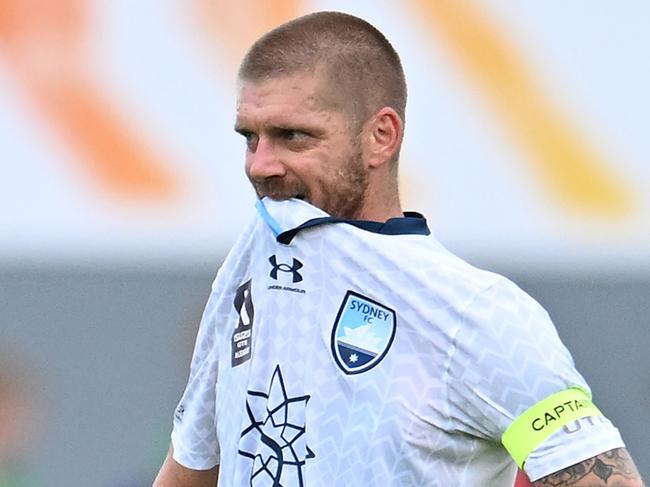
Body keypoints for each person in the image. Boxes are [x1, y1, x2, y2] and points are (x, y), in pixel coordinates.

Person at [154, 11, 645, 487]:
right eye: (250, 138)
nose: (260, 165)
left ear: (380, 137)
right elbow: (194, 462)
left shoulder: (476, 314)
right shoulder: (250, 261)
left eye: (292, 137)